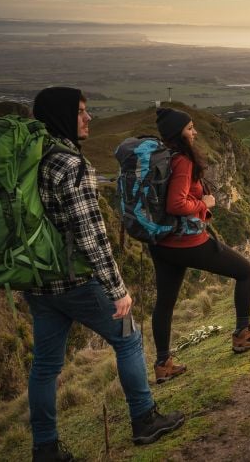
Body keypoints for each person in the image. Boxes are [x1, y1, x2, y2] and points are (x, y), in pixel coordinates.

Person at [25, 88, 184, 461]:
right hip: (77, 282)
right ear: (63, 116)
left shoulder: (28, 158)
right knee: (128, 340)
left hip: (36, 280)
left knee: (46, 366)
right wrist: (117, 289)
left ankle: (44, 449)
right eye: (81, 111)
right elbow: (90, 234)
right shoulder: (69, 164)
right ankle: (144, 420)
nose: (88, 118)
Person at [149, 107, 250, 384]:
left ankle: (163, 365)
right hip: (186, 241)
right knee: (245, 271)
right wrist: (203, 204)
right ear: (179, 133)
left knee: (166, 303)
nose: (195, 132)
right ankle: (243, 335)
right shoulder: (182, 160)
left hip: (161, 242)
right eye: (190, 127)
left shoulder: (160, 156)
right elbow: (176, 203)